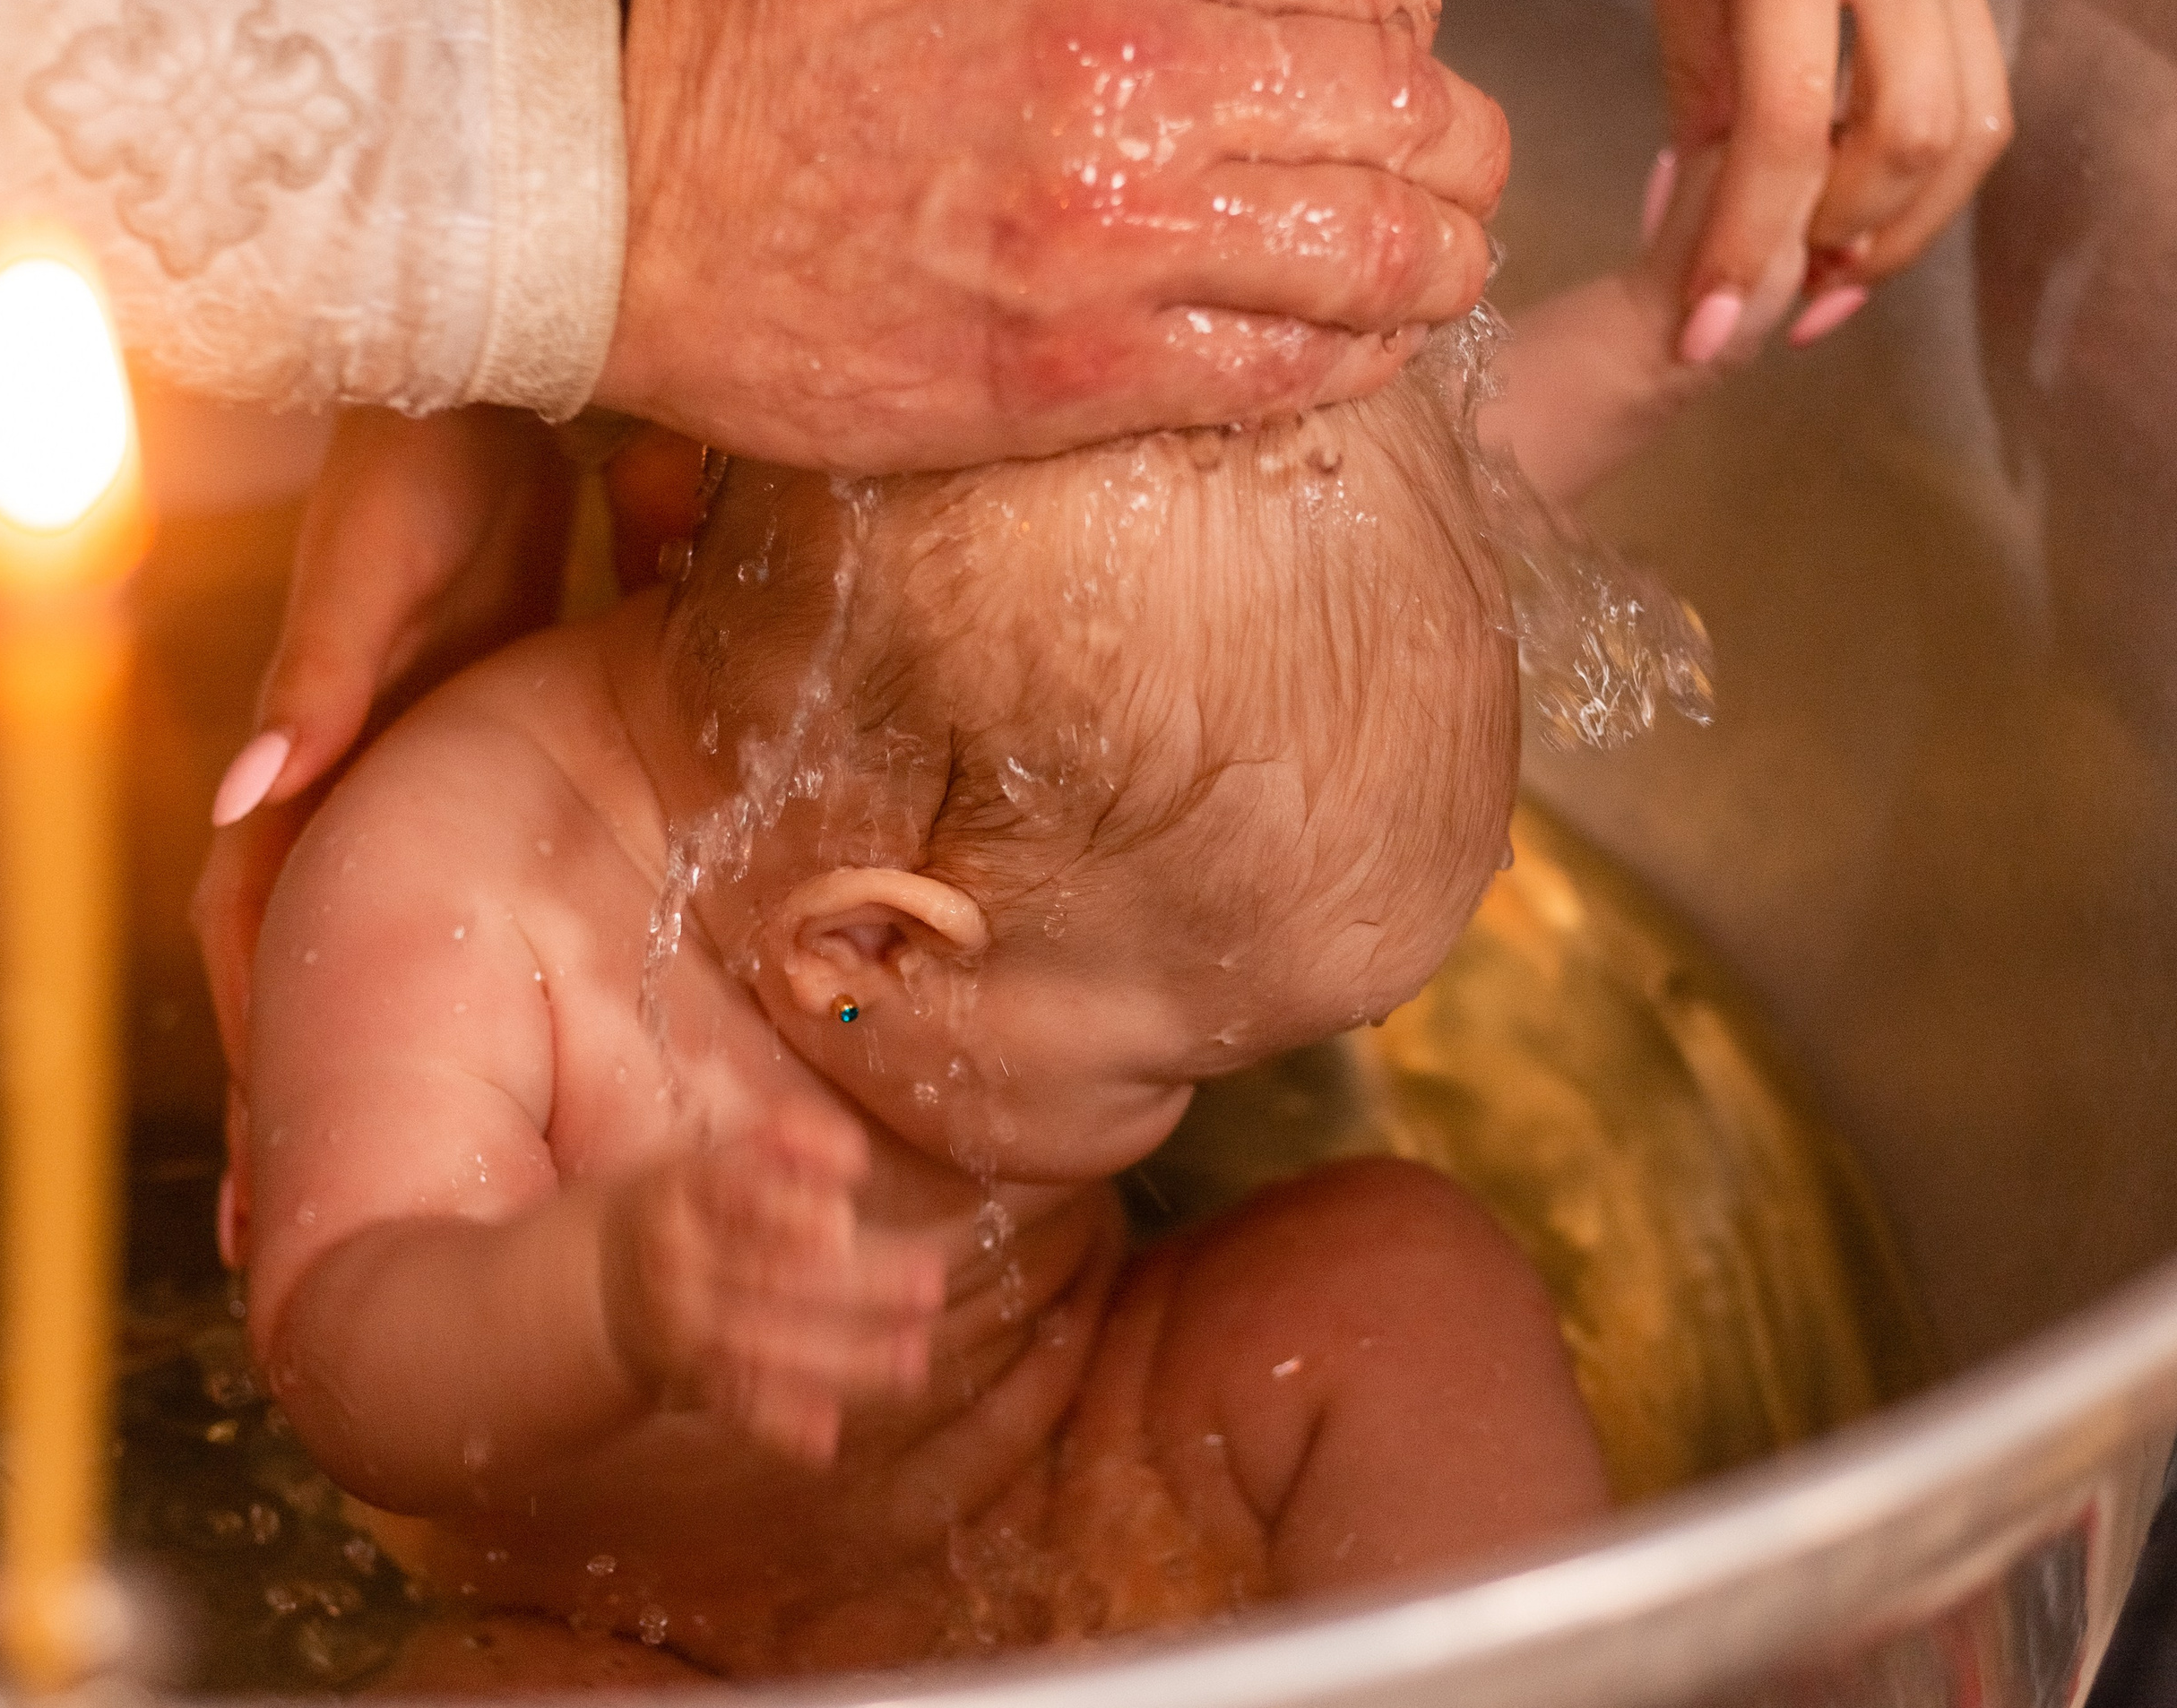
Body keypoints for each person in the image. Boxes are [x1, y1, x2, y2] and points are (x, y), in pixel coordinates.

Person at [227, 151, 1799, 1682]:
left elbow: (1387, 520)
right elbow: (346, 1355)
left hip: (1078, 1451)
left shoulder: (931, 728)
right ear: (878, 950)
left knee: (1402, 1279)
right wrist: (607, 1294)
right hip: (621, 1632)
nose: (1206, 1104)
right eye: (1170, 1073)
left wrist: (1676, 322)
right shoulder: (459, 884)